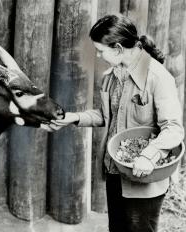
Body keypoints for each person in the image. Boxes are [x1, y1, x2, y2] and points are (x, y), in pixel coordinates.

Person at [43, 14, 184, 232]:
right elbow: (108, 114)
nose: (98, 56)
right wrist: (74, 117)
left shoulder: (158, 77)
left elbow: (174, 129)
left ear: (118, 48)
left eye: (100, 50)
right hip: (116, 170)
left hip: (145, 180)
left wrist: (148, 155)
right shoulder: (112, 76)